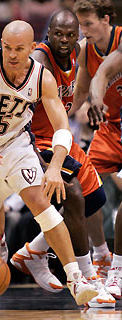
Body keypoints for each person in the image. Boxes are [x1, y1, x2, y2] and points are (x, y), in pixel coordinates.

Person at [0, 20, 98, 306]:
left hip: (15, 146)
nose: (12, 54)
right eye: (7, 47)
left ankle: (77, 280)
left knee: (42, 203)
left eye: (19, 49)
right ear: (0, 42)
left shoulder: (41, 77)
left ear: (32, 47)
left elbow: (62, 125)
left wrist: (54, 166)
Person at [10, 10, 115, 308]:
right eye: (59, 34)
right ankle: (88, 278)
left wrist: (92, 102)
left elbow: (79, 86)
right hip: (34, 139)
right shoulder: (40, 61)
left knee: (95, 201)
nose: (65, 40)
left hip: (60, 137)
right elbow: (21, 112)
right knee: (74, 197)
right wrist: (28, 155)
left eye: (71, 34)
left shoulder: (78, 52)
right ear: (49, 34)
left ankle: (33, 252)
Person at [70, 0, 121, 279]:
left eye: (87, 24)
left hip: (114, 119)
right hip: (111, 126)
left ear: (106, 19)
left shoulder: (121, 37)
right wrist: (58, 117)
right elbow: (79, 93)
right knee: (83, 185)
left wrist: (97, 101)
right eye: (80, 24)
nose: (83, 30)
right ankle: (101, 254)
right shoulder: (85, 50)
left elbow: (103, 74)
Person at [80, 43, 122, 299]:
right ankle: (110, 265)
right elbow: (101, 74)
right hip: (113, 131)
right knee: (84, 188)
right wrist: (95, 100)